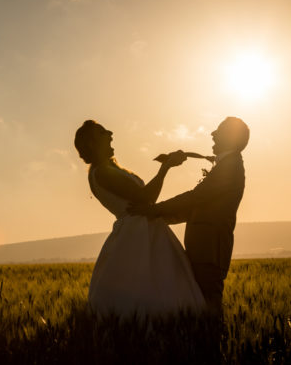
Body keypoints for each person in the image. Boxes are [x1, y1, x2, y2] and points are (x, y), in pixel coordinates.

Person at [74, 120, 205, 317]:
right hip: (137, 232)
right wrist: (166, 167)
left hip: (139, 229)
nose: (110, 133)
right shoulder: (101, 172)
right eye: (103, 132)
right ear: (92, 143)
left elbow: (143, 198)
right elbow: (146, 198)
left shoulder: (107, 170)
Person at [130, 117, 249, 320]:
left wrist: (153, 211)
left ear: (231, 136)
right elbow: (196, 208)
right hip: (205, 249)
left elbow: (195, 198)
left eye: (218, 130)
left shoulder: (231, 166)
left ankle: (211, 347)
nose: (212, 134)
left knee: (208, 308)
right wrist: (157, 217)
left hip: (210, 251)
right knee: (201, 308)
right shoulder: (227, 165)